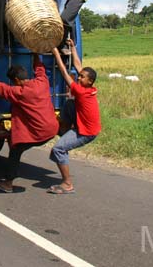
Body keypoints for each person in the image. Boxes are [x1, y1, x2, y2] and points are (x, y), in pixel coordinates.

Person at [0, 56, 59, 193]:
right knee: (15, 145)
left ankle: (8, 183)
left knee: (15, 149)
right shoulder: (42, 82)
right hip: (52, 129)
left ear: (17, 80)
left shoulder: (20, 92)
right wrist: (35, 53)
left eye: (14, 82)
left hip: (39, 132)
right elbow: (40, 69)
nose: (13, 84)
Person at [50, 40, 101, 194]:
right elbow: (78, 65)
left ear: (90, 81)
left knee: (58, 149)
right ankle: (64, 130)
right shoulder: (89, 88)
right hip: (83, 127)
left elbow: (65, 74)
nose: (79, 78)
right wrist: (72, 47)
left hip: (86, 132)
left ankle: (67, 184)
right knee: (70, 104)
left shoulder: (82, 92)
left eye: (82, 78)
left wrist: (55, 52)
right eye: (79, 77)